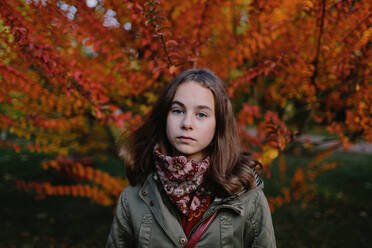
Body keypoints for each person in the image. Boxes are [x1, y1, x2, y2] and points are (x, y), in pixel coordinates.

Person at [106, 68, 276, 247]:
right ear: (164, 116)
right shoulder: (134, 196)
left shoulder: (246, 194)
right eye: (178, 111)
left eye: (201, 114)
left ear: (219, 124)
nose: (187, 123)